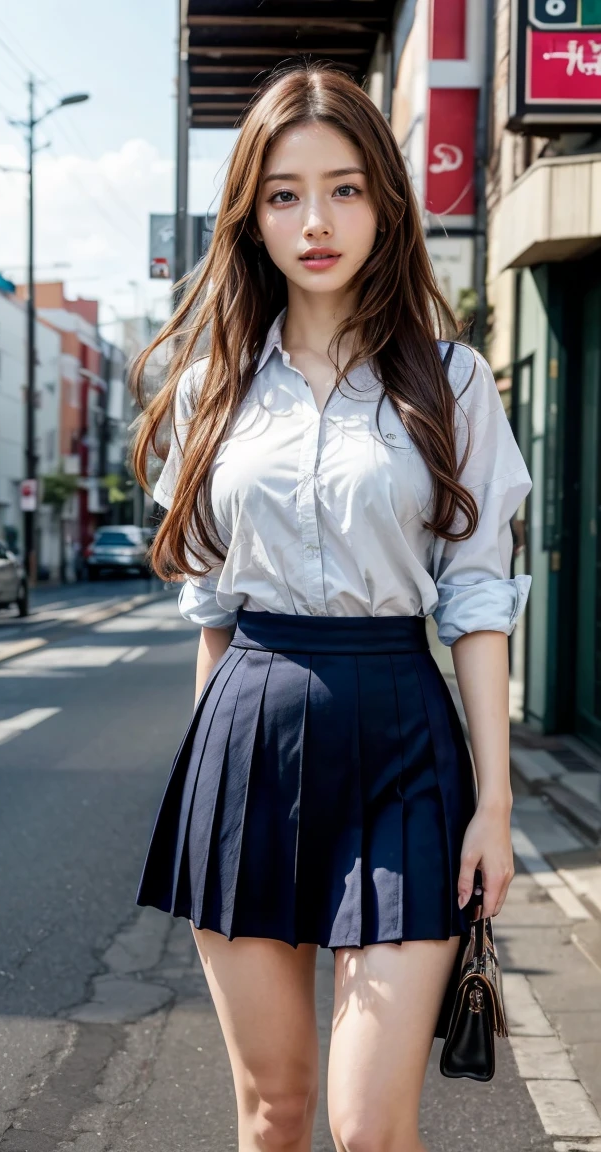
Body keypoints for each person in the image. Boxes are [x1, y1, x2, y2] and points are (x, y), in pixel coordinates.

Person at [131, 62, 532, 1152]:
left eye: (346, 189)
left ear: (386, 204)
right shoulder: (214, 387)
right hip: (247, 733)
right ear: (250, 215)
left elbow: (478, 599)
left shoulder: (451, 384)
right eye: (285, 193)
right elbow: (212, 603)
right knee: (274, 1115)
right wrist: (213, 786)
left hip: (403, 734)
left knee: (366, 1126)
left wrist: (494, 805)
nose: (317, 221)